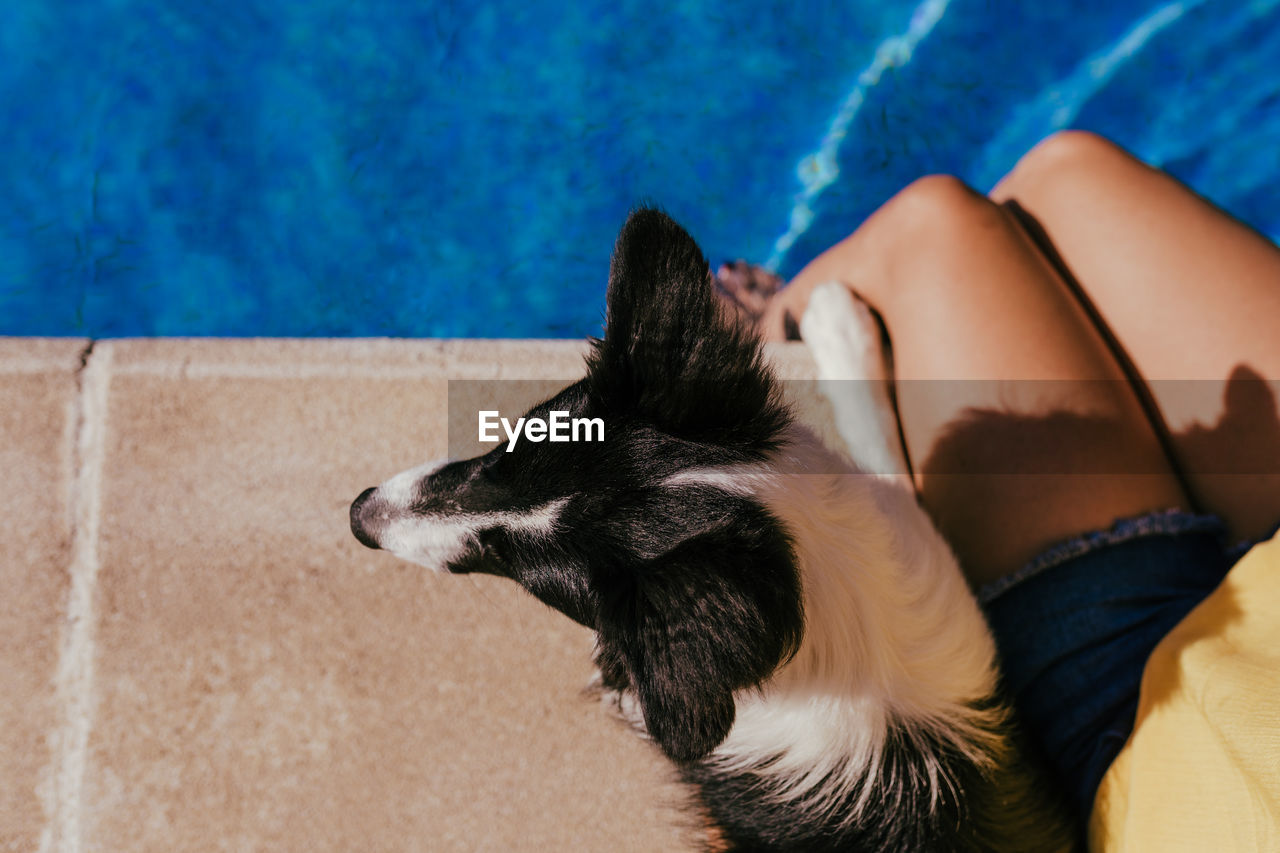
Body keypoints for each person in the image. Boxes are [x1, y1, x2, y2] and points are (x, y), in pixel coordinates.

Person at [719, 130, 1280, 845]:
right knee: (1066, 177)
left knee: (936, 229)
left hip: (1160, 728)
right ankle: (787, 326)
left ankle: (772, 329)